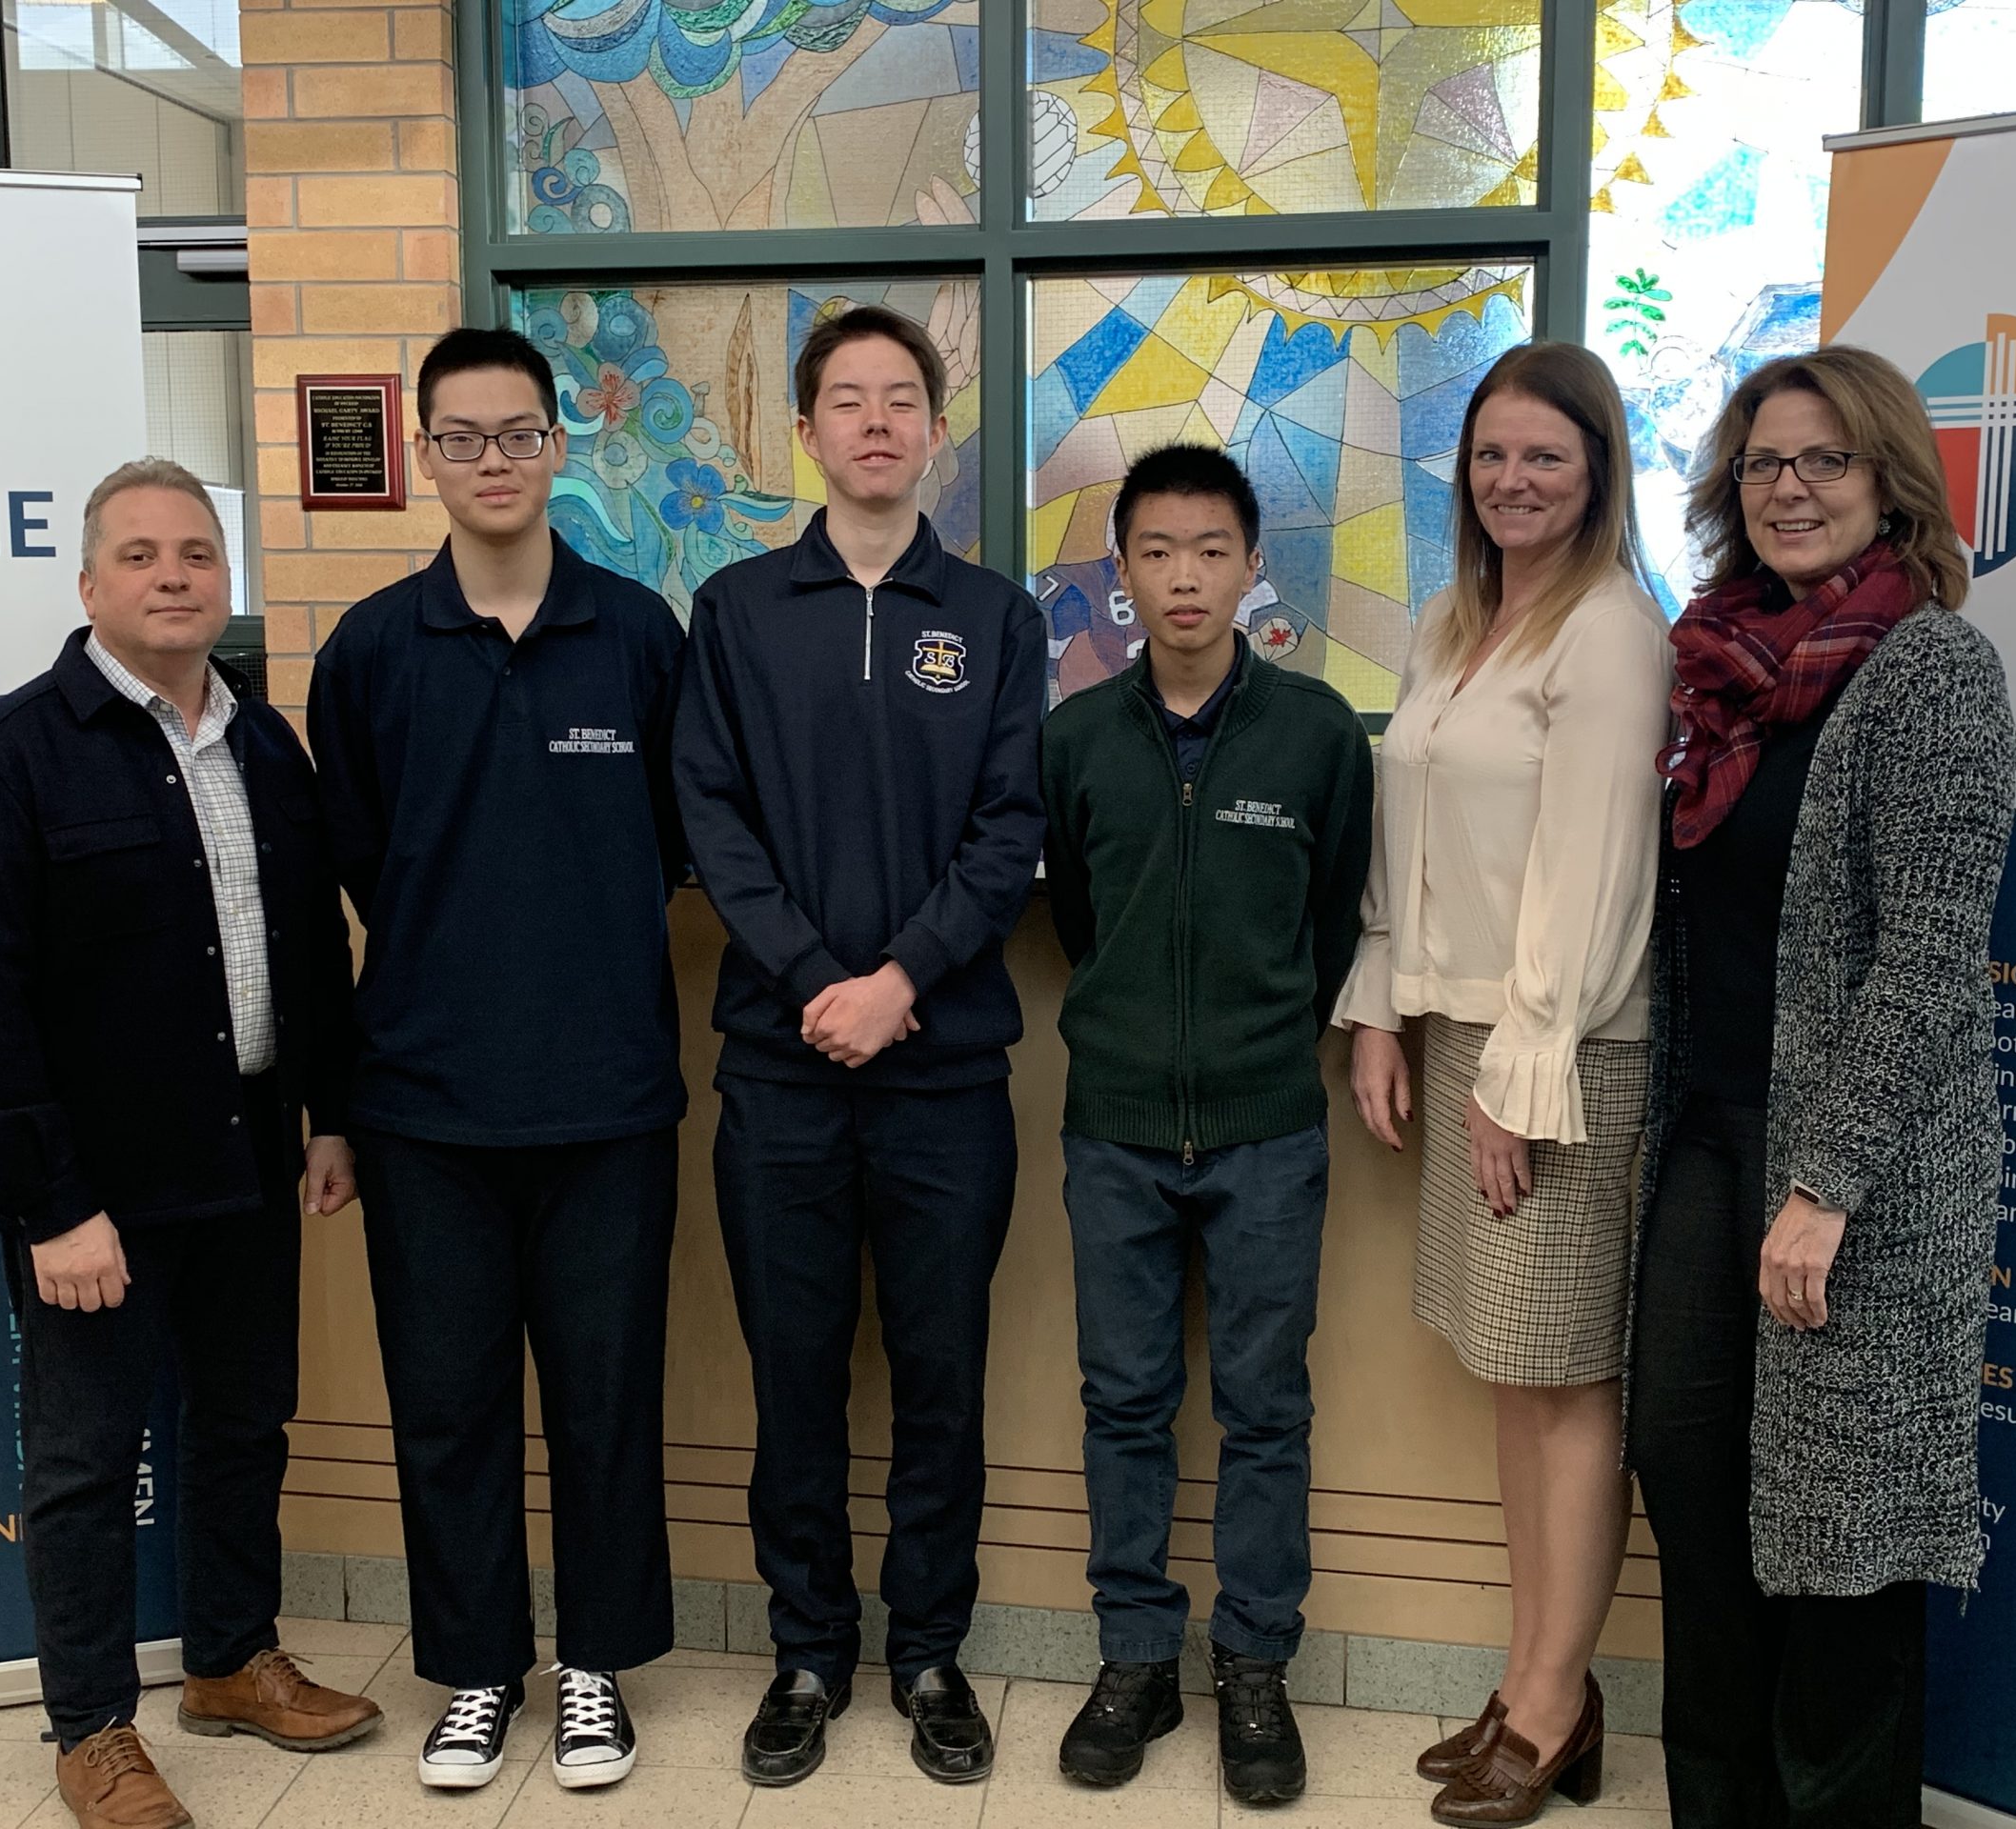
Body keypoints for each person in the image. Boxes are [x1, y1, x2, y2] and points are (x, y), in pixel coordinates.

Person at [0, 459, 381, 1829]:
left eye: (195, 553)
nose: (173, 575)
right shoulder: (4, 765)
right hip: (94, 1191)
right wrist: (50, 1207)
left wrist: (330, 1115)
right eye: (140, 555)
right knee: (84, 1457)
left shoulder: (263, 747)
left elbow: (309, 951)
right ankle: (92, 1731)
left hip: (249, 1153)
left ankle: (233, 1659)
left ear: (223, 578)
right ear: (87, 585)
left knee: (244, 1423)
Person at [1627, 347, 2016, 1826]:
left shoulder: (1935, 672)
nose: (1789, 488)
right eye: (1766, 463)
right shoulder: (1717, 665)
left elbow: (1926, 965)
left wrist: (1825, 1188)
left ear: (1890, 483)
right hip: (1710, 1139)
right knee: (1690, 1469)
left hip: (1859, 1182)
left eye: (1827, 462)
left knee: (1845, 1526)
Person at [306, 327, 688, 1796]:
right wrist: (341, 1104)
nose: (491, 460)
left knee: (604, 1394)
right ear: (423, 457)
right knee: (448, 1401)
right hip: (425, 1109)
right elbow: (347, 868)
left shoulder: (637, 635)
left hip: (605, 1103)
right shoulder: (374, 651)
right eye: (460, 437)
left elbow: (672, 845)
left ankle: (593, 1669)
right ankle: (475, 1671)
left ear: (557, 445)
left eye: (517, 432)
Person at [673, 304, 1045, 1789]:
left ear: (937, 434)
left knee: (943, 1378)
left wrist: (902, 981)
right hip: (780, 1069)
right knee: (795, 1377)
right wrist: (822, 979)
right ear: (808, 431)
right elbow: (711, 817)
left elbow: (1011, 826)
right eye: (849, 399)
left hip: (947, 1071)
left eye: (904, 399)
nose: (878, 421)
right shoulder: (740, 610)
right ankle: (806, 1653)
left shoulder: (999, 619)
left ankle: (931, 1651)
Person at [1337, 342, 1671, 1823]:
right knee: (1511, 1378)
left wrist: (1521, 1070)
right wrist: (1380, 1009)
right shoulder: (1452, 618)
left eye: (1545, 455)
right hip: (1466, 1032)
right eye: (1490, 457)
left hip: (1567, 1046)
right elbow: (1407, 842)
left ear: (1597, 467)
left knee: (1564, 1376)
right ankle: (1537, 1680)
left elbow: (1591, 871)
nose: (1513, 481)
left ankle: (1553, 1702)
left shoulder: (1610, 629)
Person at [1041, 445, 1372, 1807]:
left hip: (1266, 1131)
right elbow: (1077, 926)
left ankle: (1252, 1665)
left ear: (1251, 566)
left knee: (1264, 1410)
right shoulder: (1071, 739)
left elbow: (1334, 913)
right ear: (1121, 573)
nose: (1184, 576)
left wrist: (1252, 1045)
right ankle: (1135, 1658)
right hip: (1115, 1126)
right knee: (1122, 1404)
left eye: (1211, 550)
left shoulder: (1316, 733)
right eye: (1157, 551)